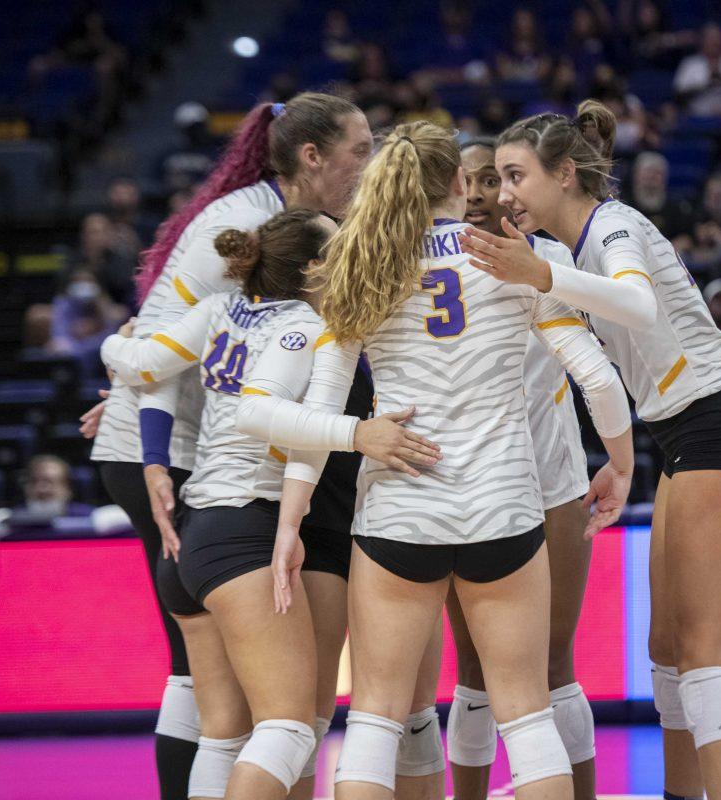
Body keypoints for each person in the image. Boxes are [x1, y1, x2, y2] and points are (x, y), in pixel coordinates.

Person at [236, 121, 633, 799]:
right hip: (503, 508)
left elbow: (320, 406)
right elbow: (596, 379)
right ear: (458, 181)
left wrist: (301, 505)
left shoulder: (365, 267)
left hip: (400, 515)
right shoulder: (517, 256)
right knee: (527, 716)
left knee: (375, 721)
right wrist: (620, 465)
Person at [460, 100, 721, 800]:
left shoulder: (607, 229)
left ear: (563, 173)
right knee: (666, 652)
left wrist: (539, 276)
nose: (505, 191)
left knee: (703, 655)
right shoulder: (585, 245)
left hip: (720, 430)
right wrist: (705, 339)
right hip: (685, 434)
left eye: (515, 175)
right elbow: (646, 321)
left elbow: (634, 305)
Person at [83, 94, 373, 800]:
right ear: (312, 158)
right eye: (360, 150)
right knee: (279, 718)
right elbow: (231, 397)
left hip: (188, 453)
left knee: (221, 705)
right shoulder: (253, 232)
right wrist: (152, 455)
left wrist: (125, 365)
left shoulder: (259, 252)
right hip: (190, 465)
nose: (369, 166)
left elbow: (157, 355)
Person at [101, 210, 444, 800]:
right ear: (313, 268)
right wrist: (360, 432)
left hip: (192, 536)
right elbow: (264, 415)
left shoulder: (218, 311)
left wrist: (117, 339)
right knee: (288, 730)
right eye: (337, 245)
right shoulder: (302, 328)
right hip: (244, 531)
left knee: (223, 735)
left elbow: (140, 366)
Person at [444, 137, 600, 800]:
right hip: (470, 485)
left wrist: (707, 341)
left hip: (553, 480)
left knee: (555, 662)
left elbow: (620, 326)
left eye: (492, 180)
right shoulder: (430, 265)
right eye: (469, 181)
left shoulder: (551, 257)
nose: (481, 194)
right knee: (474, 666)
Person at [672, 22, 721, 119]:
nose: (715, 42)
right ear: (702, 41)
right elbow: (679, 95)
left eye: (718, 38)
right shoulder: (689, 64)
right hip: (697, 119)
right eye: (711, 38)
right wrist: (706, 84)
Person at [626, 151, 693, 242]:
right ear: (636, 176)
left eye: (657, 173)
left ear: (665, 178)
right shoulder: (623, 204)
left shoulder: (675, 207)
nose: (651, 177)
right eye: (647, 172)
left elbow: (686, 238)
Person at [14, 454, 94, 518]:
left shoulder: (90, 518)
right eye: (34, 481)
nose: (41, 489)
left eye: (49, 482)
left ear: (67, 488)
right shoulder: (9, 519)